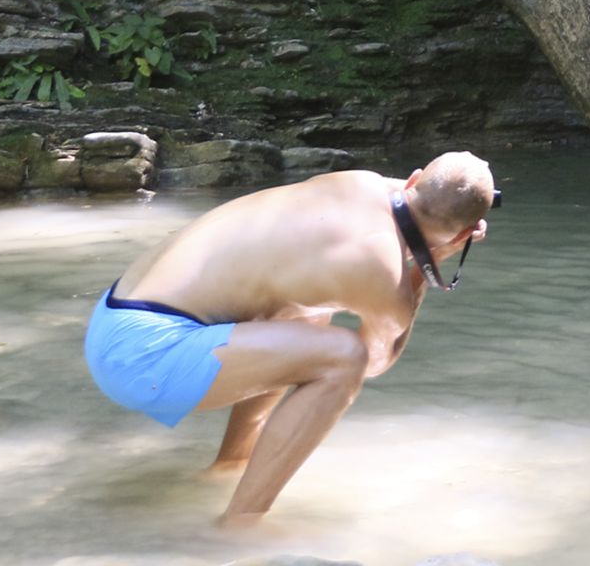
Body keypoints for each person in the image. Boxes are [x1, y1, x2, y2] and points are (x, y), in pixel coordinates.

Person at [83, 151, 496, 527]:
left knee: (310, 310)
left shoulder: (356, 182)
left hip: (111, 322)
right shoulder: (379, 269)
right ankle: (240, 526)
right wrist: (427, 268)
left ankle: (231, 464)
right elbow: (373, 360)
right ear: (461, 237)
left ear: (413, 178)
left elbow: (404, 214)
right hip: (142, 360)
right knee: (342, 358)